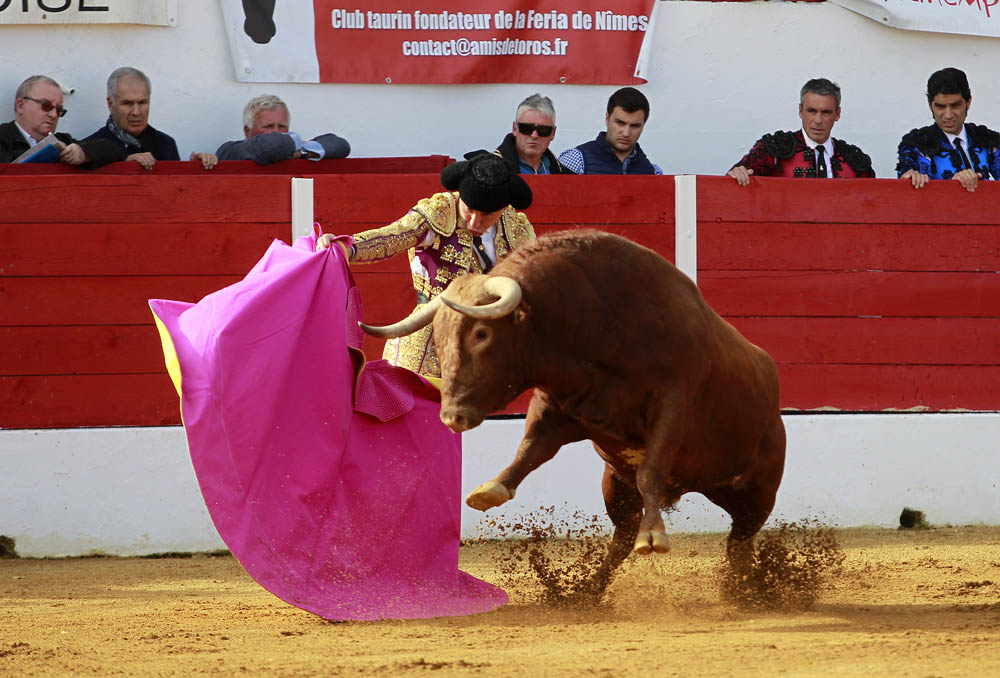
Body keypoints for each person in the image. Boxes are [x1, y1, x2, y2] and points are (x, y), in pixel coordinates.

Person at [315, 153, 534, 378]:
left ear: (503, 208)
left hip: (484, 343)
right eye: (469, 210)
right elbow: (393, 237)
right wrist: (348, 248)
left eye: (487, 215)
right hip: (428, 335)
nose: (474, 223)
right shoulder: (438, 214)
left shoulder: (516, 229)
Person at [727, 78, 874, 185]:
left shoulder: (854, 159)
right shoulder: (774, 149)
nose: (818, 120)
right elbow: (733, 182)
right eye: (811, 111)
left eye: (826, 112)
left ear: (837, 114)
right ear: (800, 111)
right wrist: (737, 174)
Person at [85, 67, 216, 170]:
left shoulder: (165, 143)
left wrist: (196, 169)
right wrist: (123, 165)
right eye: (128, 103)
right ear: (111, 105)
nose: (136, 112)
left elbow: (176, 191)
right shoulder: (90, 147)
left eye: (142, 103)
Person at [897, 67, 1000, 193]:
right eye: (940, 107)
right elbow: (912, 190)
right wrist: (949, 187)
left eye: (955, 105)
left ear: (968, 102)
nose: (948, 115)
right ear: (930, 105)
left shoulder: (987, 139)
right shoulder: (918, 144)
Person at [0, 75, 118, 166]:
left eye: (59, 110)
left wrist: (84, 153)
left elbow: (112, 149)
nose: (53, 114)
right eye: (46, 105)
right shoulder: (3, 137)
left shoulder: (62, 141)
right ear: (21, 106)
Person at [216, 94, 350, 164]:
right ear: (247, 131)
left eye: (282, 126)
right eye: (268, 126)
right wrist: (297, 146)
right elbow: (274, 144)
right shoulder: (230, 150)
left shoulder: (293, 150)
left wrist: (304, 153)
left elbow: (340, 145)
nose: (276, 131)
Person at [558, 87, 661, 175]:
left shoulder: (654, 172)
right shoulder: (576, 160)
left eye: (635, 126)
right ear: (607, 118)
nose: (626, 133)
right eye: (620, 123)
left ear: (643, 125)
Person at [494, 93, 568, 174]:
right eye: (526, 128)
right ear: (515, 129)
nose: (534, 135)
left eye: (543, 130)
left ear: (553, 133)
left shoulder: (568, 176)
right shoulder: (489, 170)